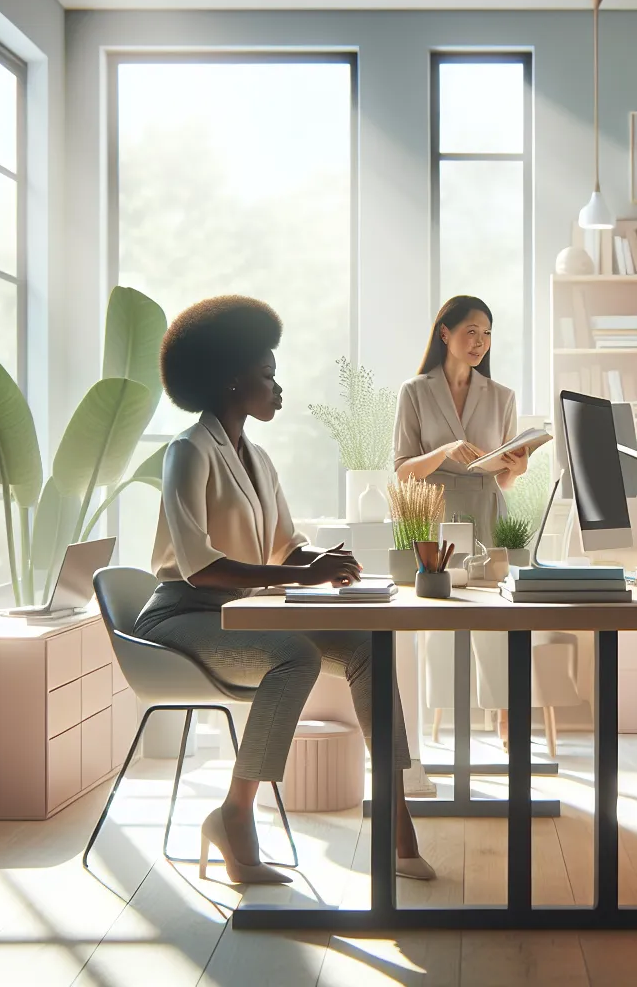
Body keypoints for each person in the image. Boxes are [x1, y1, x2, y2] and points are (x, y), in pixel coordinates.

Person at [135, 295, 433, 885]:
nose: (278, 388)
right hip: (179, 620)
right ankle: (235, 814)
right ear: (231, 380)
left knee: (367, 646)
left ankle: (397, 817)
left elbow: (283, 548)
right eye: (268, 375)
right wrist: (302, 575)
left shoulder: (258, 457)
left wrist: (320, 561)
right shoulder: (188, 451)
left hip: (238, 616)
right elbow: (199, 568)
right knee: (294, 655)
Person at [393, 296, 529, 741]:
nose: (480, 342)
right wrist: (445, 451)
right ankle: (444, 729)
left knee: (497, 619)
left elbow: (505, 481)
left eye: (487, 333)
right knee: (440, 617)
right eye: (471, 331)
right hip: (435, 513)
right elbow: (402, 471)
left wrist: (517, 467)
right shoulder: (415, 392)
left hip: (488, 509)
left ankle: (506, 722)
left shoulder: (502, 396)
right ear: (445, 333)